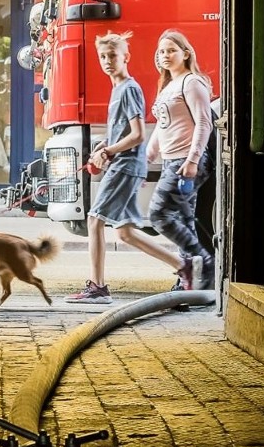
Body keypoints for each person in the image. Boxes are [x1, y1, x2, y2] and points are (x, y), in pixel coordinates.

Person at [65, 31, 196, 305]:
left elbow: (138, 135)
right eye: (103, 56)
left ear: (126, 57)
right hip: (122, 163)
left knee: (94, 219)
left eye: (113, 56)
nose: (107, 61)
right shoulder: (117, 90)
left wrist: (110, 151)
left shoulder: (129, 88)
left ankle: (98, 288)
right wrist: (104, 147)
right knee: (124, 232)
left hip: (125, 165)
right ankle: (182, 266)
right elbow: (120, 132)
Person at [146, 29, 215, 291]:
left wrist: (193, 159)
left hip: (185, 161)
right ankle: (190, 284)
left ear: (186, 54)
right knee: (183, 222)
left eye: (171, 50)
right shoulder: (168, 86)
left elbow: (203, 122)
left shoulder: (192, 82)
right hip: (171, 160)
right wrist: (147, 158)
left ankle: (202, 264)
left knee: (159, 214)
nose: (165, 55)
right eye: (162, 51)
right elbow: (162, 127)